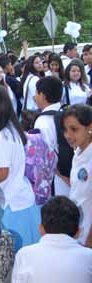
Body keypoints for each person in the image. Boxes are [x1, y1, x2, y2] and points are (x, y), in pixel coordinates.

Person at [0, 85, 41, 252]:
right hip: (21, 199)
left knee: (17, 254)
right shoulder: (11, 129)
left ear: (2, 106)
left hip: (13, 204)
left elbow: (2, 173)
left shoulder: (1, 136)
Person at [62, 104, 92, 247]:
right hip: (78, 231)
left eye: (74, 129)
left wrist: (89, 243)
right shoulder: (78, 152)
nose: (68, 135)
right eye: (65, 129)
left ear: (90, 127)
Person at [34, 76, 69, 197]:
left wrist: (62, 176)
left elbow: (46, 155)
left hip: (57, 179)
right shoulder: (66, 112)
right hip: (71, 173)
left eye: (36, 93)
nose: (35, 97)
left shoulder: (42, 121)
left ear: (43, 95)